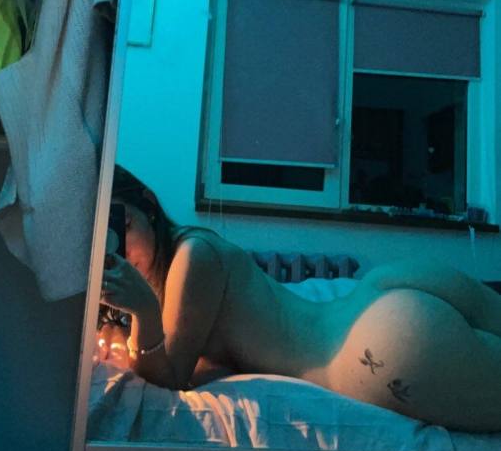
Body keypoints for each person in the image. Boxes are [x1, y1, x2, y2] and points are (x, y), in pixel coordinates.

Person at [101, 164, 501, 433]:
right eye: (107, 245)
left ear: (148, 204)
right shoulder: (197, 245)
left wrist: (142, 309)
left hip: (374, 350)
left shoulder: (190, 258)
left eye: (124, 225)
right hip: (382, 293)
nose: (123, 249)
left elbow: (169, 378)